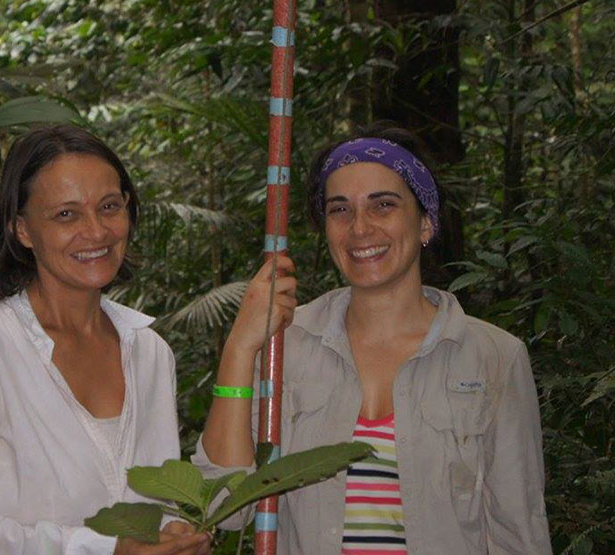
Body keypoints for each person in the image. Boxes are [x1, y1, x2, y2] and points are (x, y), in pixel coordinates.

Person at [195, 122, 552, 554]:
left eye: (383, 205)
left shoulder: (494, 358)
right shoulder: (284, 348)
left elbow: (519, 533)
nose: (360, 228)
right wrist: (240, 347)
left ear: (425, 223)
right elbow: (222, 505)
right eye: (340, 209)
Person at [0, 125, 210, 555]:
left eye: (109, 206)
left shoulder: (148, 351)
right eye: (66, 214)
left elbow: (156, 504)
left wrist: (177, 537)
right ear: (22, 230)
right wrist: (101, 549)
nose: (97, 231)